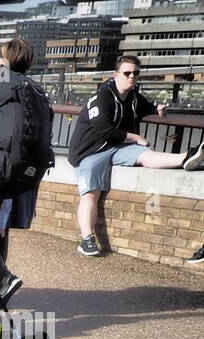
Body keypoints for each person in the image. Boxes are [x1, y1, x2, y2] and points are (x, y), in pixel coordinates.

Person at [68, 54, 204, 257]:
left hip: (116, 147)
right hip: (91, 151)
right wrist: (134, 137)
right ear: (116, 75)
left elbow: (145, 107)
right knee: (91, 193)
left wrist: (156, 109)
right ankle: (87, 240)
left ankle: (187, 157)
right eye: (127, 73)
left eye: (135, 73)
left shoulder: (132, 96)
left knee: (145, 155)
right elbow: (102, 130)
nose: (132, 77)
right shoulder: (102, 96)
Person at [0, 38, 44, 308]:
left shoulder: (5, 82)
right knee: (0, 230)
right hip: (26, 171)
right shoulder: (35, 89)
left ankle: (1, 278)